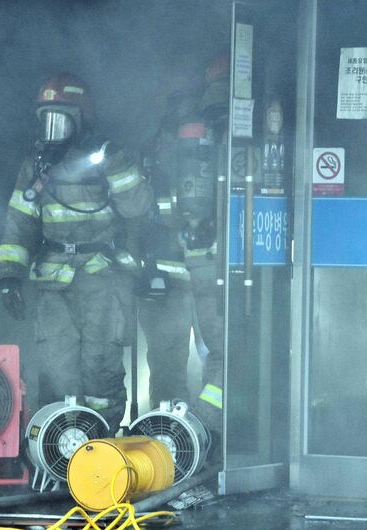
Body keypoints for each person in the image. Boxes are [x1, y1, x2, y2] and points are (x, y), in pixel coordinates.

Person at [0, 73, 152, 433]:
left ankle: (104, 445)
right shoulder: (36, 166)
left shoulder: (107, 156)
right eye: (45, 119)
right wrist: (9, 276)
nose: (52, 129)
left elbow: (137, 207)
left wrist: (115, 164)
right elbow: (18, 223)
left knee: (100, 366)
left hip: (101, 277)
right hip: (53, 280)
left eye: (60, 119)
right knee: (55, 367)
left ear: (80, 120)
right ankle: (59, 448)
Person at [138, 55, 230, 438]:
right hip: (210, 263)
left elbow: (147, 207)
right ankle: (202, 430)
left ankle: (169, 435)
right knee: (224, 354)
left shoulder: (168, 141)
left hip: (170, 264)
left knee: (167, 361)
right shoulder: (229, 133)